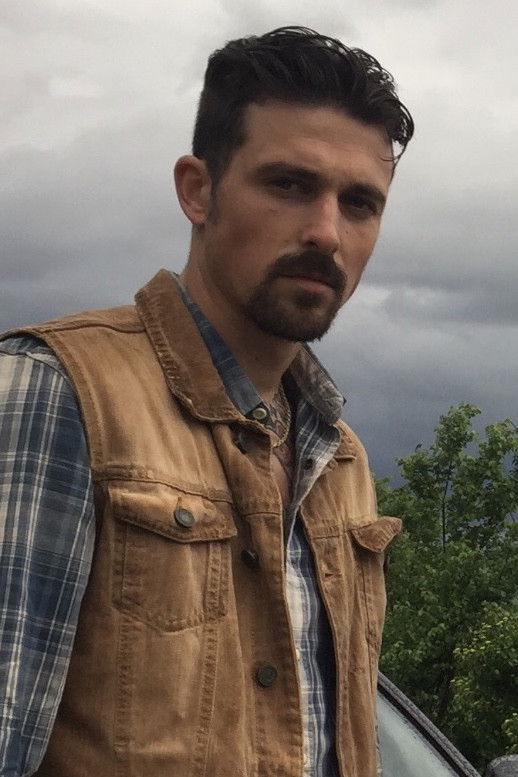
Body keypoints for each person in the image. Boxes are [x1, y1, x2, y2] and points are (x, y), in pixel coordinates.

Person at [0, 26, 414, 777]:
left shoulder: (339, 457)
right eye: (289, 185)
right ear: (198, 189)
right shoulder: (58, 392)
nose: (327, 232)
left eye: (359, 203)